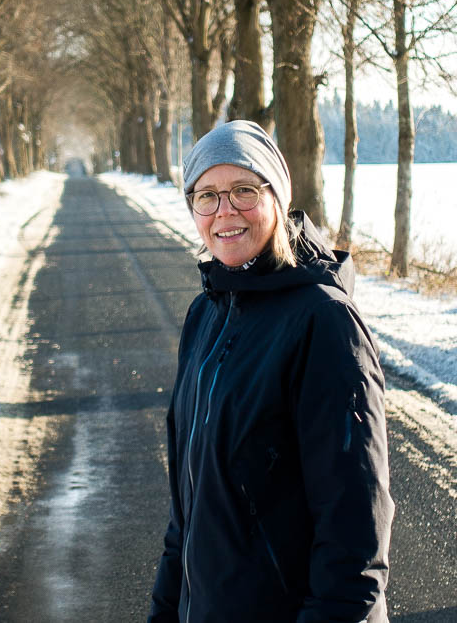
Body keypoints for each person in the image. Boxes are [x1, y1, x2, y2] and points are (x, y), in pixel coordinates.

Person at [148, 120, 395, 623]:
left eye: (243, 190)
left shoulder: (322, 322)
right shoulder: (206, 315)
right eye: (207, 196)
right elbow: (187, 518)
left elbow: (354, 535)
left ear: (277, 199)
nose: (225, 211)